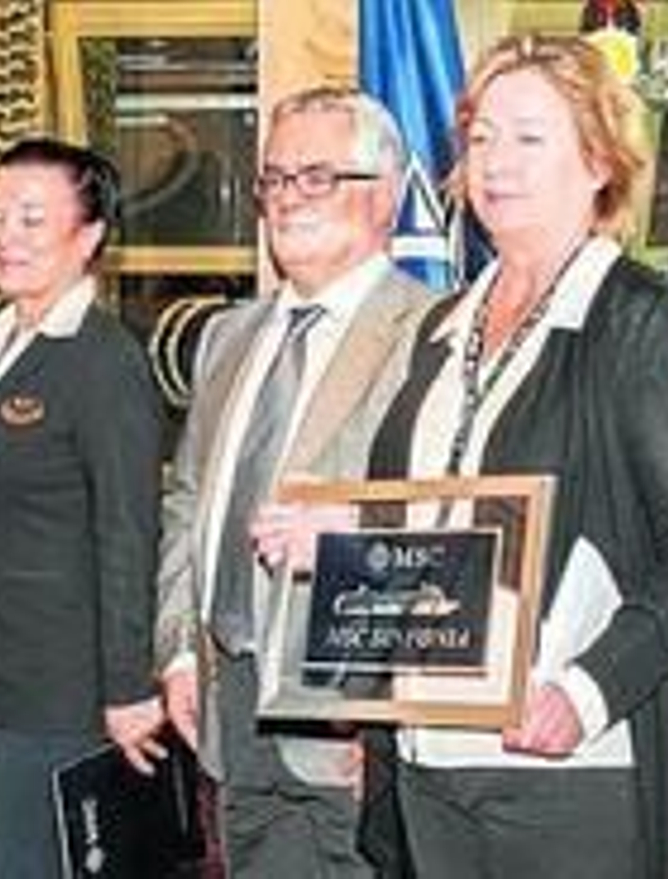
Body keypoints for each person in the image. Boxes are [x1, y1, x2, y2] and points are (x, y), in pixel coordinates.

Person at [360, 35, 668, 879]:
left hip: (569, 773)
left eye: (529, 137)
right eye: (481, 136)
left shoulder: (643, 325)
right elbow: (417, 521)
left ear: (598, 161)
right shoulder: (440, 328)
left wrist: (584, 691)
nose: (497, 161)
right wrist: (339, 536)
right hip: (430, 757)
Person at [153, 85, 432, 877]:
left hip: (347, 720)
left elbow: (444, 526)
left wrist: (381, 717)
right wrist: (177, 652)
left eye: (317, 177)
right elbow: (185, 502)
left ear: (382, 194)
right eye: (275, 179)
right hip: (229, 698)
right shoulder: (227, 337)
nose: (287, 199)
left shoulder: (432, 335)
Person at [0, 138, 167, 878]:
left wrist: (126, 688)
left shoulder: (103, 360)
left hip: (67, 690)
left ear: (88, 237)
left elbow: (128, 534)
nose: (5, 238)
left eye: (31, 219)